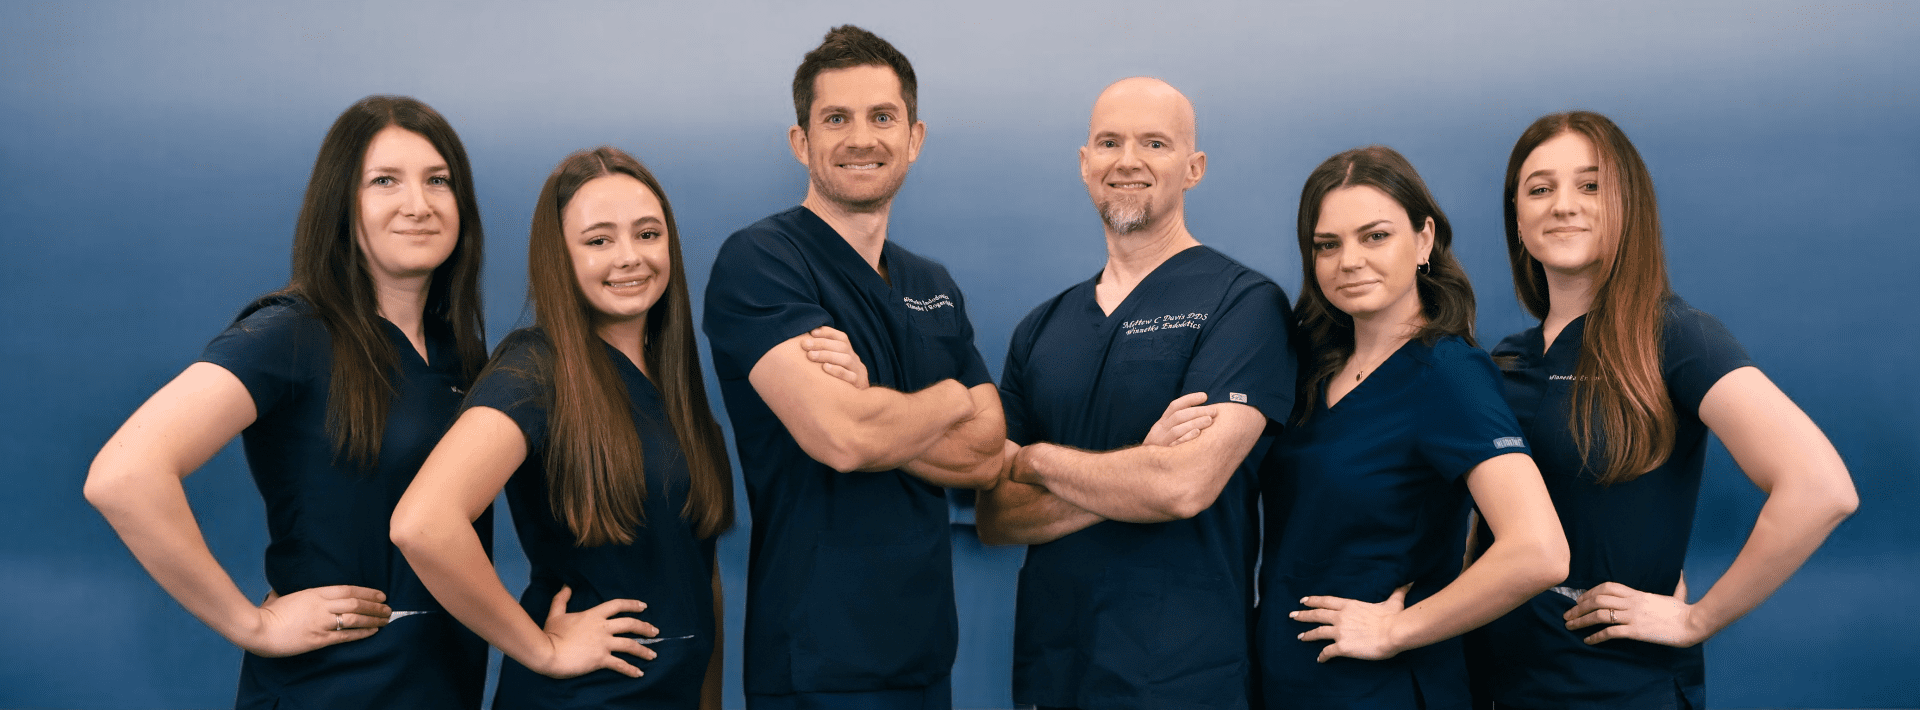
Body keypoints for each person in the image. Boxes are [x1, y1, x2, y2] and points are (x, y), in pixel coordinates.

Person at [83, 95, 490, 709]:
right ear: (341, 205)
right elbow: (122, 475)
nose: (419, 204)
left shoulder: (459, 352)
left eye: (439, 180)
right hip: (329, 691)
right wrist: (251, 624)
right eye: (385, 181)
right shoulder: (294, 332)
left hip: (440, 687)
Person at [1464, 111, 1858, 710]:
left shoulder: (1674, 337)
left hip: (1620, 690)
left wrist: (1697, 620)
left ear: (1629, 206)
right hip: (1500, 687)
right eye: (1539, 188)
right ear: (1517, 219)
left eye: (1590, 185)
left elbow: (1821, 488)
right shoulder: (1508, 358)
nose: (1563, 204)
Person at [700, 25, 1005, 710]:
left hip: (925, 658)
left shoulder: (933, 282)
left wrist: (876, 403)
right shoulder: (762, 262)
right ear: (800, 142)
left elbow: (987, 457)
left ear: (914, 138)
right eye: (835, 118)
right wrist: (954, 395)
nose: (860, 138)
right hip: (815, 660)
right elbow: (843, 438)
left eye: (881, 117)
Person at [973, 77, 1296, 710]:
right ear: (1085, 163)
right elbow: (997, 517)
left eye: (1155, 143)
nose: (1128, 160)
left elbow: (1183, 487)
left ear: (1193, 168)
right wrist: (1139, 465)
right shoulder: (1042, 327)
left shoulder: (1244, 305)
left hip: (1183, 675)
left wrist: (1032, 461)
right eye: (1109, 142)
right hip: (1054, 670)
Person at [392, 147, 733, 709]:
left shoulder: (678, 391)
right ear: (561, 258)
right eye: (599, 240)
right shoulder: (537, 367)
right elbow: (422, 523)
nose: (629, 257)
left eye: (647, 234)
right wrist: (543, 650)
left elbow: (699, 574)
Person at [1256, 145, 1568, 709]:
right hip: (1290, 684)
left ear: (1424, 240)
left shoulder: (1447, 373)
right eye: (1327, 245)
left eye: (1375, 236)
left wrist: (1396, 630)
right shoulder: (1309, 368)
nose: (1349, 260)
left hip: (1386, 690)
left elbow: (1539, 550)